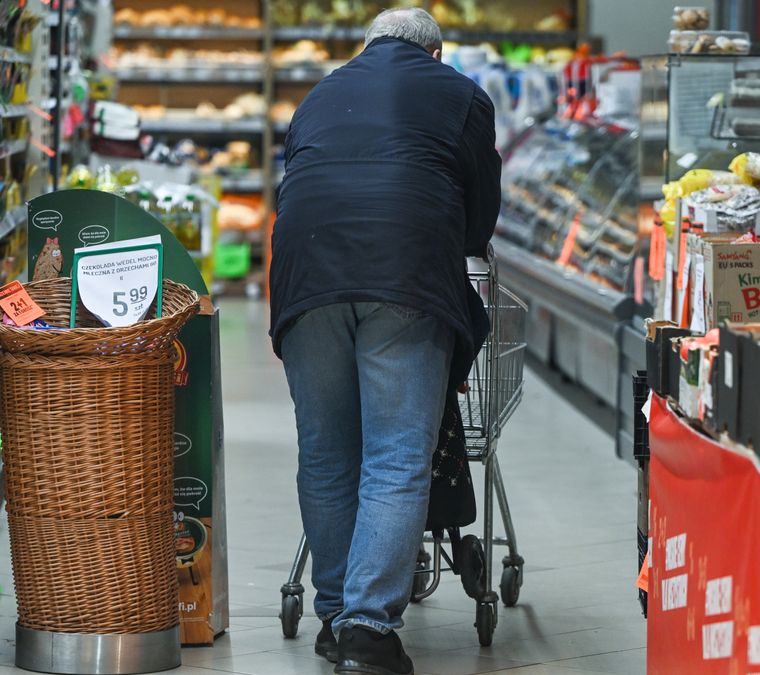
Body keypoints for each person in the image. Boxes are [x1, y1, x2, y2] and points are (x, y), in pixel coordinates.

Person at [267, 6, 501, 675]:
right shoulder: (460, 94)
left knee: (326, 452)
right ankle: (368, 629)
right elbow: (479, 218)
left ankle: (337, 615)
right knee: (397, 455)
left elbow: (298, 181)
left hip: (306, 276)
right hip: (404, 274)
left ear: (366, 47)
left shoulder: (321, 91)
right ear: (434, 54)